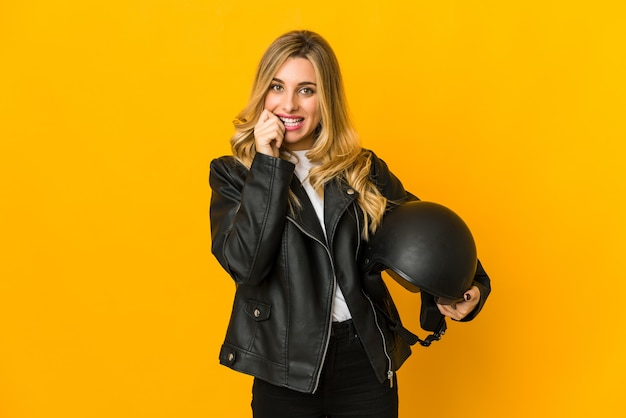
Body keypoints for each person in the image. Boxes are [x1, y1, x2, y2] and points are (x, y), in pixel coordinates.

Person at [209, 30, 491, 418]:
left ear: (326, 101)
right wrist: (268, 164)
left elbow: (420, 233)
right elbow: (246, 264)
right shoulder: (236, 174)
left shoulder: (362, 170)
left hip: (363, 362)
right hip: (286, 369)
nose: (288, 103)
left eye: (306, 90)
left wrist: (468, 286)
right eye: (278, 86)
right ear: (263, 92)